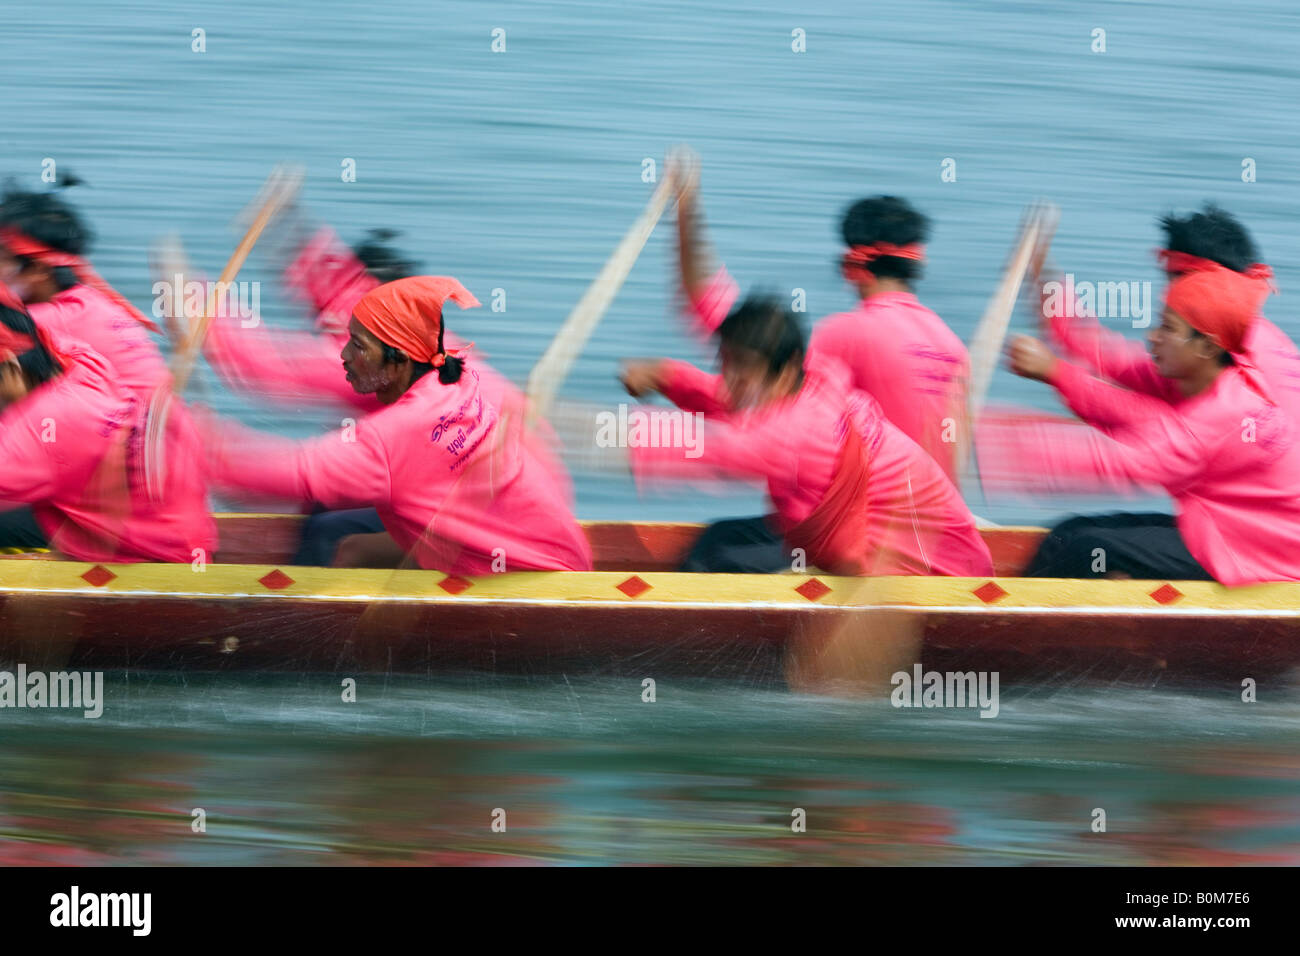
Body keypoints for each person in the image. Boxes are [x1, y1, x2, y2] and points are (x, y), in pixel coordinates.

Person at [197, 276, 592, 574]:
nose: (344, 357)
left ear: (399, 360)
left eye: (358, 346)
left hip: (528, 570)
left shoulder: (393, 438)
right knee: (339, 526)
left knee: (338, 541)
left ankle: (302, 647)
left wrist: (188, 443)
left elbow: (290, 473)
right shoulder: (455, 375)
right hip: (550, 543)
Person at [620, 294, 992, 576]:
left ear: (782, 373)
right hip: (938, 549)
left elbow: (708, 454)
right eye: (726, 365)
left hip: (941, 578)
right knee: (723, 539)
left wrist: (581, 435)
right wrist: (664, 375)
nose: (729, 382)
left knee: (711, 557)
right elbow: (729, 402)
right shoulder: (817, 376)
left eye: (742, 371)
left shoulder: (792, 430)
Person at [672, 153, 968, 484]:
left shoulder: (848, 335)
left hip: (867, 521)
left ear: (851, 267)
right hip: (934, 515)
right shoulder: (953, 348)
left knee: (720, 538)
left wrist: (687, 212)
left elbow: (754, 387)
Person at [1008, 260, 1300, 585]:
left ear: (1206, 345)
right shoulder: (1213, 372)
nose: (1152, 337)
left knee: (1087, 549)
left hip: (1256, 556)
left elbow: (1126, 463)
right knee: (1065, 534)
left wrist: (1003, 448)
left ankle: (1019, 627)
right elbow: (1110, 363)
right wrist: (1047, 288)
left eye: (1167, 328)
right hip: (1226, 528)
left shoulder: (1223, 412)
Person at [0, 285, 215, 562]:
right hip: (183, 530)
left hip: (153, 556)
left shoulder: (38, 427)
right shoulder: (81, 361)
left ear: (15, 370)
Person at [0, 177, 169, 402]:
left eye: (2, 257)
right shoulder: (90, 301)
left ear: (38, 269)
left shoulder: (45, 320)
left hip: (119, 431)